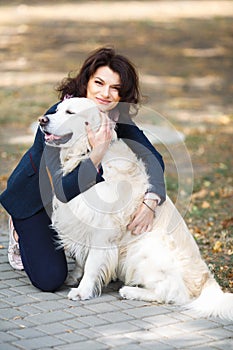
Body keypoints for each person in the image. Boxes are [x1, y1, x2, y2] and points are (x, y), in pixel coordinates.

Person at [0, 47, 166, 292]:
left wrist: (151, 201)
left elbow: (155, 159)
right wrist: (98, 153)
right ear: (86, 81)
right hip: (36, 201)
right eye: (99, 82)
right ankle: (19, 233)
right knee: (51, 279)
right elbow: (63, 190)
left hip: (71, 206)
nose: (105, 93)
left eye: (115, 88)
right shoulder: (58, 116)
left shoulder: (113, 117)